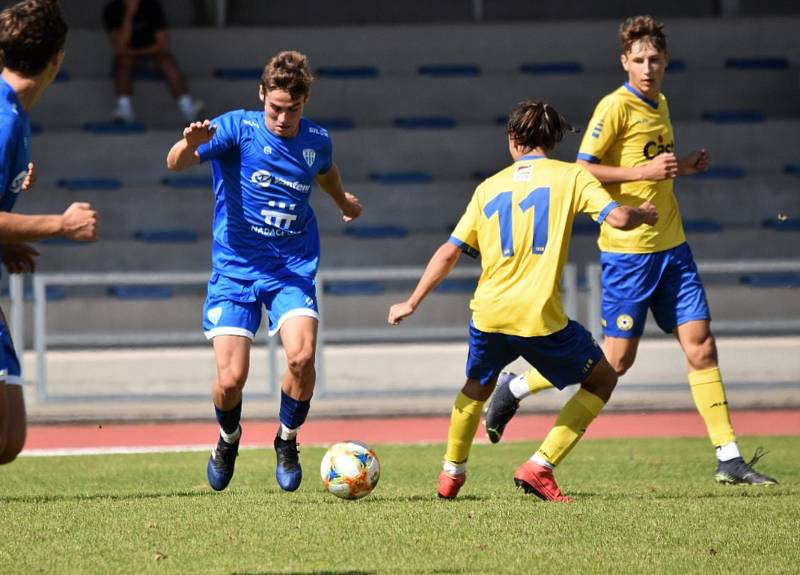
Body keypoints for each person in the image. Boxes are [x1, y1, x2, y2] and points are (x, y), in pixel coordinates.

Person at [483, 15, 777, 486]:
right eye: (638, 60)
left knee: (701, 345)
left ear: (666, 61)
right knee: (615, 364)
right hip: (628, 254)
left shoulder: (660, 103)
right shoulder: (614, 108)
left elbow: (650, 164)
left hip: (673, 248)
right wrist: (644, 175)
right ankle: (515, 386)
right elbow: (581, 170)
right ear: (624, 61)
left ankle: (729, 458)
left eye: (655, 59)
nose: (647, 67)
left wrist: (682, 166)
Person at [388, 100, 658, 501]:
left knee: (476, 387)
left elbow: (449, 251)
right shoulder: (572, 176)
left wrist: (411, 302)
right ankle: (540, 465)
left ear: (513, 140)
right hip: (538, 318)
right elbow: (617, 219)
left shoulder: (488, 187)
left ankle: (451, 474)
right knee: (602, 378)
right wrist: (642, 214)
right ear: (552, 140)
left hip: (489, 314)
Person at [166, 50, 362, 493]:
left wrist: (343, 201)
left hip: (290, 268)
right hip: (235, 270)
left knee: (301, 356)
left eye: (292, 109)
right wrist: (191, 144)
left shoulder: (316, 140)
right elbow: (174, 162)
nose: (282, 118)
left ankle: (287, 440)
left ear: (305, 103)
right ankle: (228, 439)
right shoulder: (236, 128)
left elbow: (326, 173)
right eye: (275, 108)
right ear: (261, 96)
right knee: (231, 380)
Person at [0, 0, 98, 464]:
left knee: (7, 440)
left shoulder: (12, 114)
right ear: (57, 57)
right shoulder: (4, 120)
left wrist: (7, 245)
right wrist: (60, 224)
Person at [103, 0, 203, 124]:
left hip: (152, 55)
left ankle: (188, 109)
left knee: (167, 62)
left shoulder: (152, 6)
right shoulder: (112, 9)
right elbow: (120, 45)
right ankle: (125, 110)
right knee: (123, 62)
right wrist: (129, 13)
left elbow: (163, 44)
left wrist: (135, 52)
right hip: (128, 57)